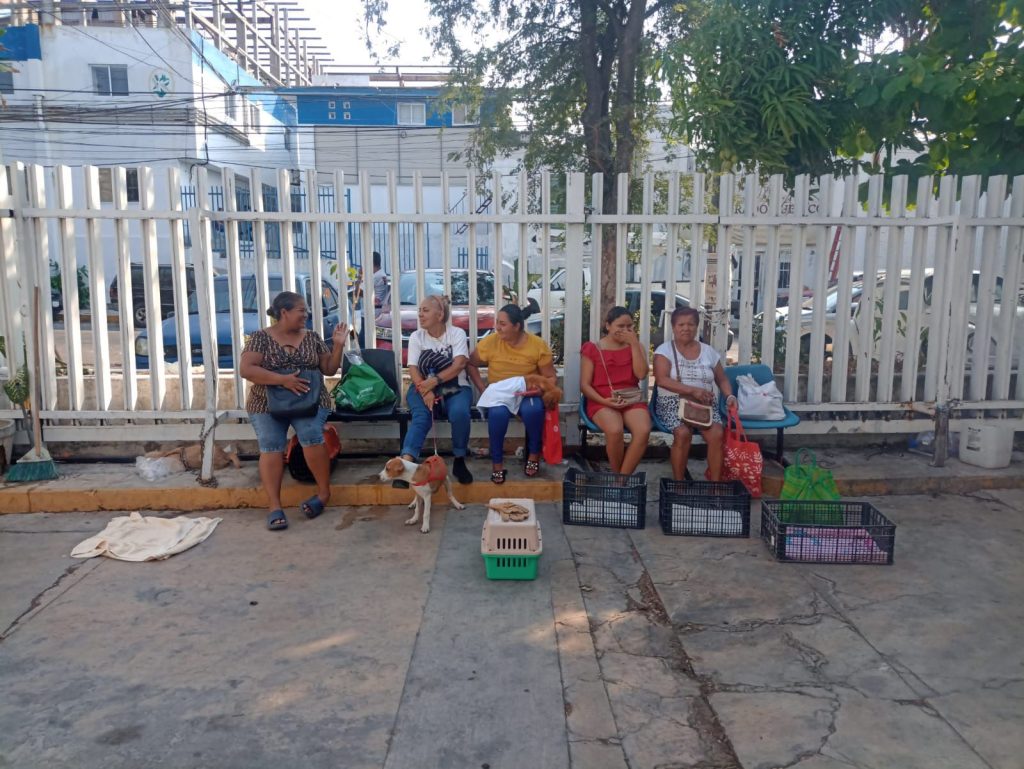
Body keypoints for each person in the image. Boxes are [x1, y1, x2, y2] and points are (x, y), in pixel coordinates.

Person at [240, 291, 348, 531]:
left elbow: (329, 369)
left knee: (310, 435)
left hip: (309, 401)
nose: (306, 314)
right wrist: (282, 380)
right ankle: (274, 506)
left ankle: (323, 494)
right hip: (266, 402)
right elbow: (246, 369)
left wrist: (338, 346)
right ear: (284, 312)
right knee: (271, 444)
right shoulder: (260, 338)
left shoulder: (312, 337)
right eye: (301, 310)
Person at [467, 304, 556, 484]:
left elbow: (550, 377)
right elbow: (470, 364)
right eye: (497, 323)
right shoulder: (491, 342)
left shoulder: (537, 345)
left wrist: (540, 390)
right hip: (500, 393)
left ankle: (534, 454)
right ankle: (497, 463)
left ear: (517, 326)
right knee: (497, 415)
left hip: (527, 392)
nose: (497, 328)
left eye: (502, 324)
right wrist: (483, 390)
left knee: (533, 411)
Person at [397, 294, 474, 486]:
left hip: (455, 387)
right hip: (421, 386)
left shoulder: (457, 334)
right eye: (419, 311)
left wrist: (434, 381)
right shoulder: (416, 337)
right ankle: (405, 465)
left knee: (459, 413)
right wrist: (425, 389)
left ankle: (459, 459)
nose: (420, 315)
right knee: (421, 416)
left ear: (439, 315)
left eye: (425, 310)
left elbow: (459, 364)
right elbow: (413, 369)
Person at [652, 307, 735, 482]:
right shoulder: (664, 350)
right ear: (673, 327)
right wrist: (693, 390)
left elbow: (722, 379)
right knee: (683, 433)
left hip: (704, 405)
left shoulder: (708, 351)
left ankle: (715, 487)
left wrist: (729, 396)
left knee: (717, 433)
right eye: (681, 324)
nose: (686, 328)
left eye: (690, 324)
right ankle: (679, 484)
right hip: (672, 403)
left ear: (697, 327)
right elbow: (662, 380)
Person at [580, 306, 651, 475]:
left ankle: (621, 479)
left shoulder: (636, 346)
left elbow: (641, 374)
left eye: (629, 326)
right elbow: (585, 385)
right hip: (602, 399)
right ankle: (617, 474)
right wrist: (604, 401)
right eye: (620, 326)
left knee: (643, 431)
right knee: (614, 430)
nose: (625, 330)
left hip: (630, 397)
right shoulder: (593, 348)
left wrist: (634, 344)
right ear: (608, 326)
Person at [372, 251, 389, 319]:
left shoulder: (376, 276)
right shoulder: (381, 273)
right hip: (378, 309)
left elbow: (360, 292)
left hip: (374, 310)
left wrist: (360, 276)